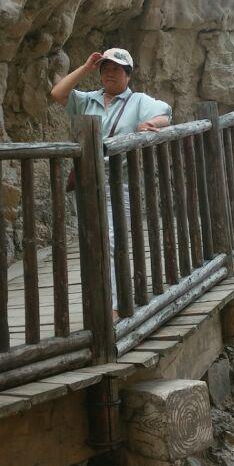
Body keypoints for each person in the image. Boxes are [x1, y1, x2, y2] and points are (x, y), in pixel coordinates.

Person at [50, 48, 172, 311]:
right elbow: (58, 93)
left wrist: (152, 124)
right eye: (106, 68)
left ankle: (113, 306)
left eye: (116, 69)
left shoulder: (137, 101)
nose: (109, 73)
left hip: (118, 185)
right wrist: (85, 67)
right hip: (86, 182)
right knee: (91, 241)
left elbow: (165, 113)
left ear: (128, 74)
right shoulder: (88, 100)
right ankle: (97, 302)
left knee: (112, 241)